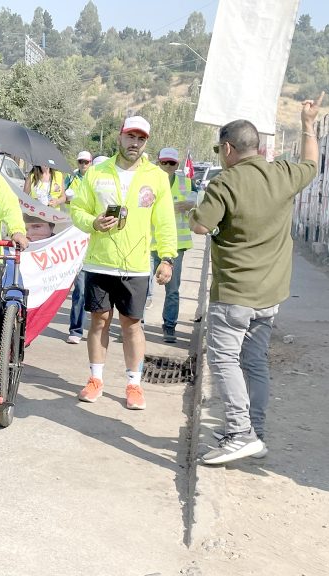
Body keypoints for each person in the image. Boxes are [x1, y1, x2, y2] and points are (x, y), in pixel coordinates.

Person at [190, 94, 323, 465]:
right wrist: (308, 124)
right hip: (271, 295)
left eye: (220, 149)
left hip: (235, 294)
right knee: (255, 362)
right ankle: (255, 432)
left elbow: (202, 225)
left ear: (229, 148)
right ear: (259, 147)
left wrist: (192, 213)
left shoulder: (225, 183)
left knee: (224, 361)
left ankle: (239, 432)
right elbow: (312, 162)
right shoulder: (283, 173)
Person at [70, 115, 177, 410]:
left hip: (136, 265)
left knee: (131, 325)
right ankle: (95, 380)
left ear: (146, 143)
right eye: (131, 136)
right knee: (99, 321)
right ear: (120, 137)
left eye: (141, 139)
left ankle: (134, 384)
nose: (135, 143)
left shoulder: (156, 177)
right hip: (100, 262)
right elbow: (77, 208)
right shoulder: (97, 172)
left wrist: (166, 258)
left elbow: (165, 221)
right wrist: (93, 222)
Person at [150, 147, 198, 343]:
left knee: (173, 290)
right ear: (158, 163)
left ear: (177, 165)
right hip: (149, 244)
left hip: (175, 246)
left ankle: (169, 326)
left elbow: (200, 202)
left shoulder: (187, 183)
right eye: (164, 163)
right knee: (142, 288)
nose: (167, 167)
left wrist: (191, 205)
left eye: (171, 163)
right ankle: (135, 324)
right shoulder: (148, 184)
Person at [64, 150, 93, 344]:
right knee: (80, 288)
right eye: (80, 161)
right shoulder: (71, 178)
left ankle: (99, 331)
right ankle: (76, 329)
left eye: (86, 162)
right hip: (73, 236)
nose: (83, 164)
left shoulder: (95, 180)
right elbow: (61, 198)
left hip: (94, 239)